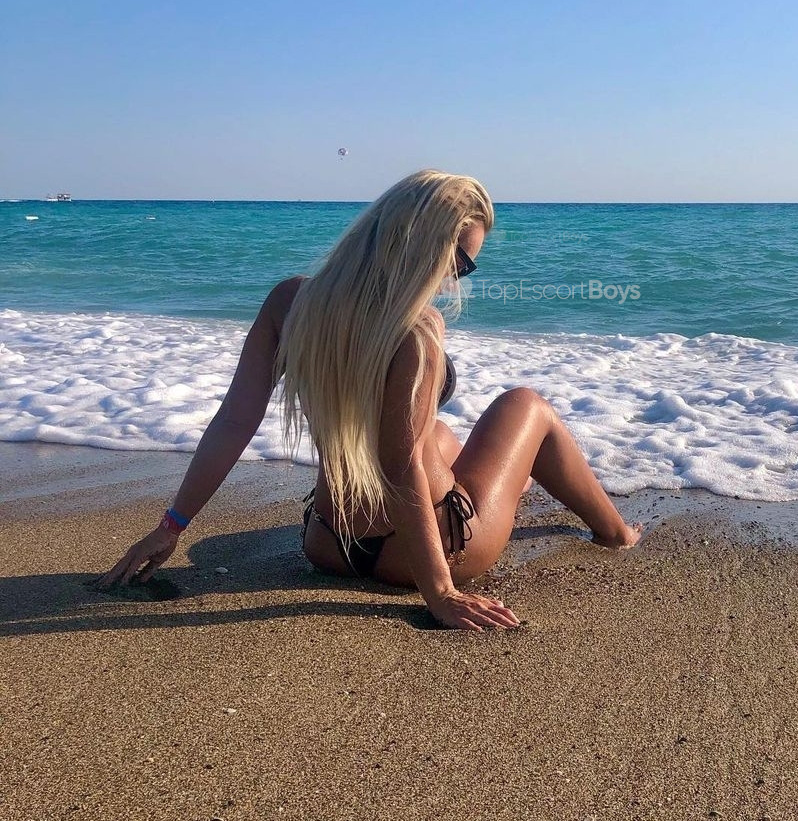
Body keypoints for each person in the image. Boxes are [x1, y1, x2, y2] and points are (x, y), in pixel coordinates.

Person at [98, 170, 642, 630]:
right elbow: (400, 467)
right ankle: (616, 532)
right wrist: (439, 593)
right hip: (428, 550)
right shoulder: (417, 329)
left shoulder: (291, 302)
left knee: (440, 435)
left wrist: (171, 527)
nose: (456, 280)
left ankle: (515, 487)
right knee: (526, 406)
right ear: (429, 247)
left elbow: (234, 423)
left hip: (328, 542)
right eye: (462, 264)